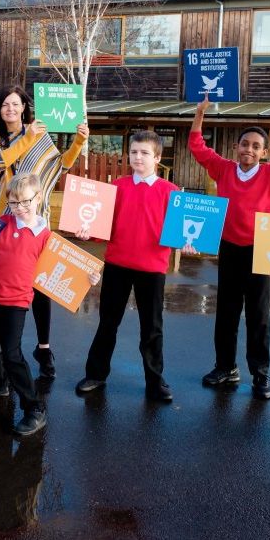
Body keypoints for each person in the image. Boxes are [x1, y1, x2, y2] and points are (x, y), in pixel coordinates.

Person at [0, 172, 99, 436]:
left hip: (16, 301)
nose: (20, 208)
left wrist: (89, 276)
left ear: (38, 198)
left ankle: (34, 408)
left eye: (25, 202)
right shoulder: (1, 224)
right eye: (14, 203)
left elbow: (71, 267)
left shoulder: (46, 237)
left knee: (12, 354)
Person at [0, 85, 89, 379]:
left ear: (24, 108)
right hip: (4, 218)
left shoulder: (41, 135)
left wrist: (79, 142)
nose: (11, 109)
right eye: (5, 104)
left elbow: (60, 165)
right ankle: (4, 352)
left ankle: (43, 347)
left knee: (41, 285)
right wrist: (26, 138)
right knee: (4, 286)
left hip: (35, 219)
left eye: (15, 104)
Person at [76, 131, 178, 402]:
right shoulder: (118, 186)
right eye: (134, 152)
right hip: (118, 265)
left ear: (157, 157)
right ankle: (96, 374)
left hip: (152, 269)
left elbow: (179, 231)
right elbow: (104, 224)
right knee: (108, 322)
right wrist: (89, 232)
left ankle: (155, 381)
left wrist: (188, 242)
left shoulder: (171, 192)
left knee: (152, 328)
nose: (138, 157)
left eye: (144, 153)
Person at [188, 95, 270, 399]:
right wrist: (199, 114)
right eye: (244, 144)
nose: (248, 149)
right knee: (226, 311)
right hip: (230, 247)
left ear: (264, 153)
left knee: (259, 315)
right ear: (236, 147)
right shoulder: (224, 169)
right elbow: (197, 147)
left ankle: (261, 374)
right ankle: (226, 367)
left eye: (255, 146)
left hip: (262, 248)